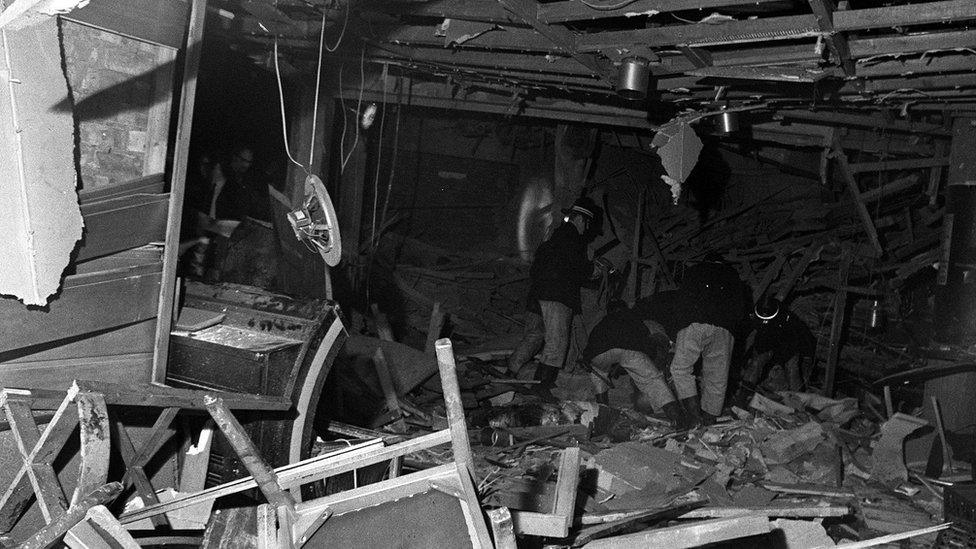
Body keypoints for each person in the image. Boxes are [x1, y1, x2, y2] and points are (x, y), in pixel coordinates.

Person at [508, 196, 607, 396]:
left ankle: (510, 371)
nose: (586, 229)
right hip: (557, 297)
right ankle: (541, 388)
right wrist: (593, 270)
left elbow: (537, 269)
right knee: (557, 344)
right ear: (581, 220)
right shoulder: (573, 240)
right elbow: (576, 268)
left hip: (538, 295)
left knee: (535, 335)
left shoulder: (552, 239)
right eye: (586, 224)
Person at [669, 252, 749, 426]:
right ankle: (709, 420)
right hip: (724, 329)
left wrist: (679, 328)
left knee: (681, 369)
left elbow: (681, 300)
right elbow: (740, 310)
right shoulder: (733, 277)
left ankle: (693, 416)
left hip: (695, 323)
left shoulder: (695, 271)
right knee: (717, 377)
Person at [582, 302, 685, 427]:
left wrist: (588, 360)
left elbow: (590, 347)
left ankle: (604, 419)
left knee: (598, 377)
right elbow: (643, 338)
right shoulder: (632, 318)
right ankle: (678, 420)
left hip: (598, 354)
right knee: (653, 381)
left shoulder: (601, 324)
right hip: (629, 349)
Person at [743, 296, 816, 392]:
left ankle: (797, 399)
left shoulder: (788, 318)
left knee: (792, 369)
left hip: (788, 345)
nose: (765, 321)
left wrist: (807, 355)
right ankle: (744, 393)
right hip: (765, 343)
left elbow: (804, 336)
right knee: (756, 363)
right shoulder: (754, 314)